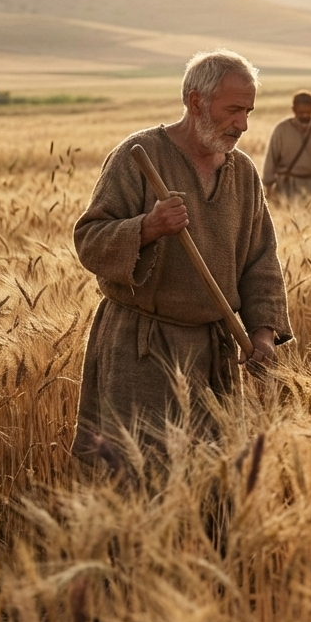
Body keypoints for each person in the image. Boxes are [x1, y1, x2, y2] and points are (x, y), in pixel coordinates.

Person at [72, 49, 292, 467]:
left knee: (214, 478)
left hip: (215, 354)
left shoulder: (243, 174)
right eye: (233, 111)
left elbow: (261, 261)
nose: (242, 125)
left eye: (248, 111)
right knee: (138, 478)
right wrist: (147, 227)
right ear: (196, 102)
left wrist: (262, 333)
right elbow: (89, 240)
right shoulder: (138, 155)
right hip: (142, 351)